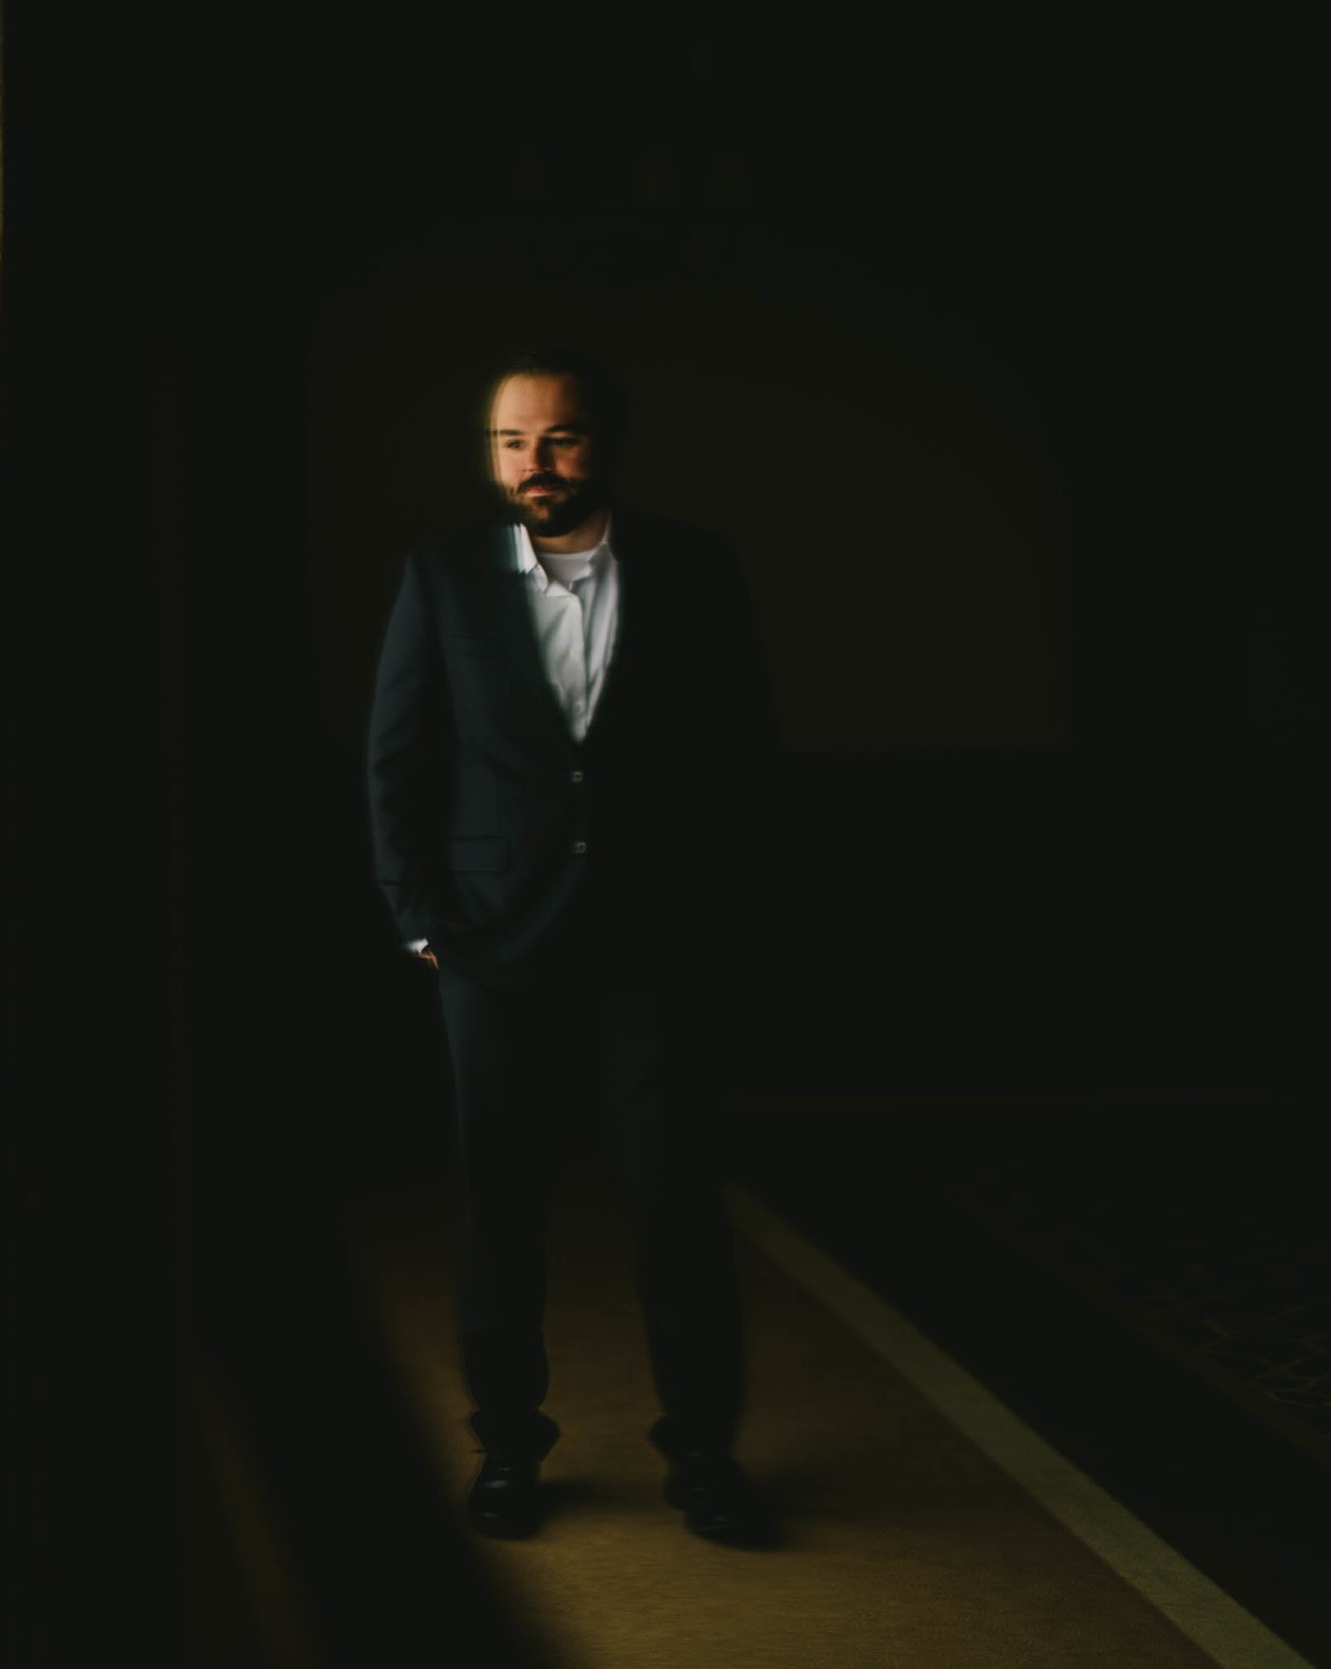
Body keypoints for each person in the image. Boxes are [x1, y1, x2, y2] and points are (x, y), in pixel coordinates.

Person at [366, 346, 775, 1544]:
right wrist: (419, 914)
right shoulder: (442, 577)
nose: (533, 464)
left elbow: (745, 757)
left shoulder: (695, 568)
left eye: (558, 438)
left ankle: (703, 1453)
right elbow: (395, 759)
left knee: (676, 1207)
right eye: (510, 442)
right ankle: (507, 1450)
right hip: (492, 944)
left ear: (604, 442)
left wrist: (729, 920)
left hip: (657, 948)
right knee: (501, 1209)